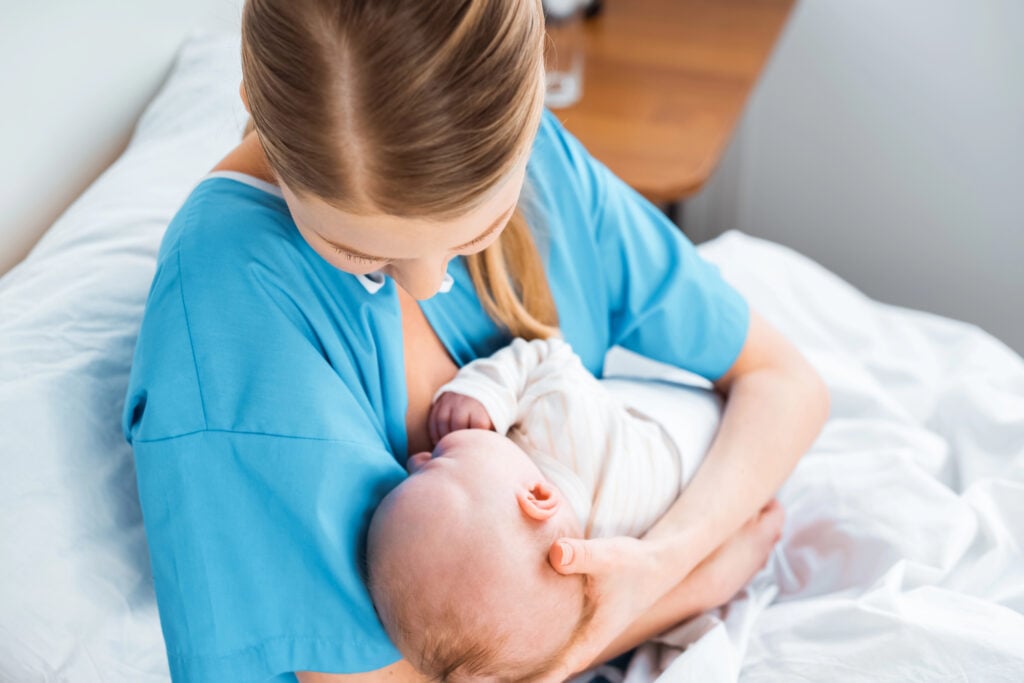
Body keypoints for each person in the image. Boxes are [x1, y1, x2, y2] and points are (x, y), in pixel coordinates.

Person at [122, 0, 829, 681]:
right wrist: (690, 585)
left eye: (475, 232)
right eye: (357, 252)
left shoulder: (545, 164)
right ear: (255, 107)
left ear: (531, 109)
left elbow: (783, 381)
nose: (429, 283)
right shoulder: (229, 307)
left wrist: (662, 560)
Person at [366, 337, 786, 680]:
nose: (414, 459)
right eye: (434, 467)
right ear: (537, 498)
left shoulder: (589, 578)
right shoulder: (564, 427)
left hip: (725, 456)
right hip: (702, 419)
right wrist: (487, 390)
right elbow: (546, 354)